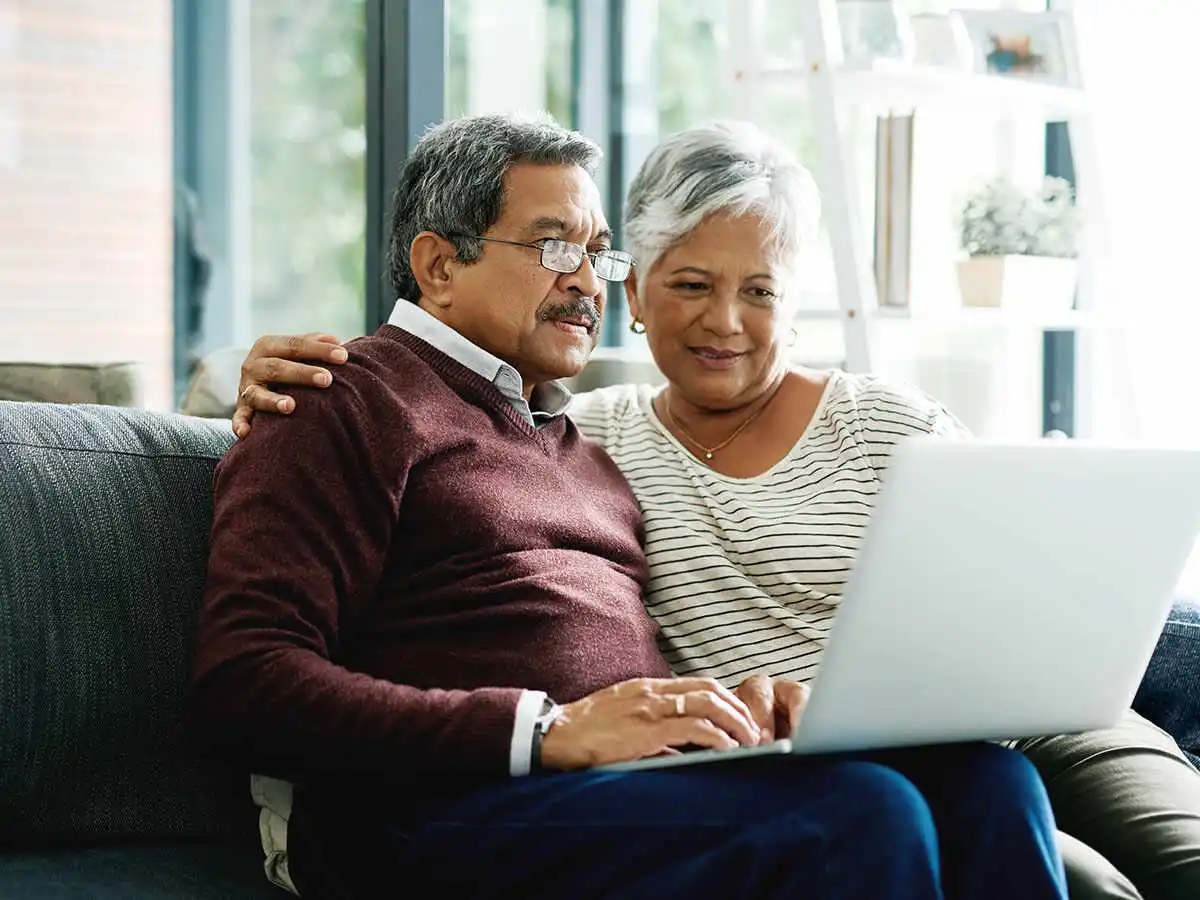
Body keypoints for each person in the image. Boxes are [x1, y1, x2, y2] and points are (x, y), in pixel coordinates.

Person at [234, 118, 1200, 900]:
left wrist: (738, 714)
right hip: (444, 805)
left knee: (990, 786)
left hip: (644, 781)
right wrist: (546, 729)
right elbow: (245, 681)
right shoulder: (336, 399)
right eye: (553, 246)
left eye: (596, 255)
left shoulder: (570, 439)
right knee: (861, 813)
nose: (584, 282)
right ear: (438, 266)